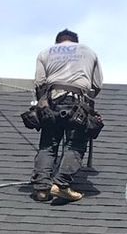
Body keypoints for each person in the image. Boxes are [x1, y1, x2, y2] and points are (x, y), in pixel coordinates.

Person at [30, 29, 102, 203]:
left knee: (48, 145)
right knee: (75, 145)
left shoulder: (45, 52)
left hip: (51, 103)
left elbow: (39, 83)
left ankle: (42, 189)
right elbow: (96, 85)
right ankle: (61, 185)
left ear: (58, 43)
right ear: (75, 42)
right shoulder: (88, 51)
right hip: (76, 102)